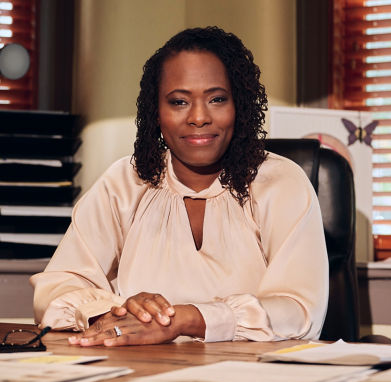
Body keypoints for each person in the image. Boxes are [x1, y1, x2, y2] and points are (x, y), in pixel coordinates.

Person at [30, 26, 329, 347]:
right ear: (155, 112)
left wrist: (187, 319)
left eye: (217, 99)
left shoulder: (280, 183)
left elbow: (299, 311)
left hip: (252, 381)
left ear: (239, 106)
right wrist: (111, 313)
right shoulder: (125, 183)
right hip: (139, 372)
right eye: (179, 101)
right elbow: (57, 288)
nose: (199, 117)